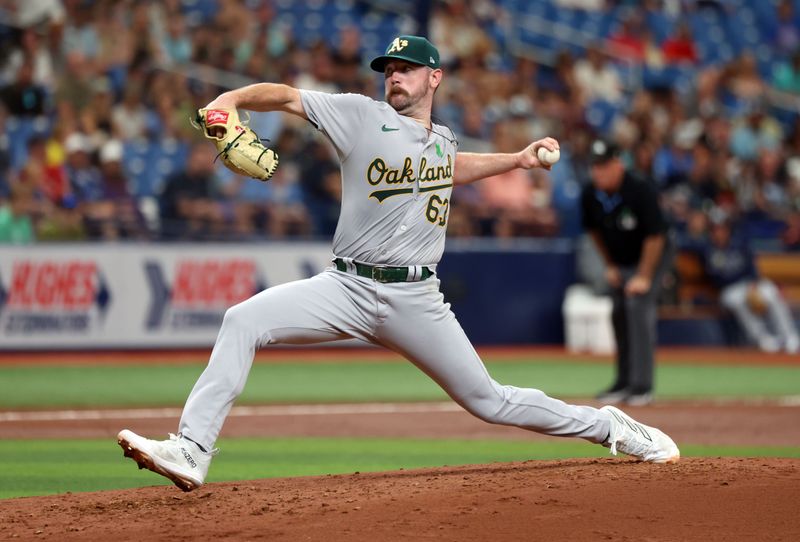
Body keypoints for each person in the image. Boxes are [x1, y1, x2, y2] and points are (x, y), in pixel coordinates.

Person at [117, 36, 679, 492]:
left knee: (490, 401)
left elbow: (450, 167)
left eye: (407, 68)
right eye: (389, 68)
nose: (395, 76)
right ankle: (191, 450)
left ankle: (611, 426)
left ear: (434, 78)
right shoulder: (359, 116)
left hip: (416, 299)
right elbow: (287, 96)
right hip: (347, 286)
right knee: (243, 319)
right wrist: (232, 100)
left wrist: (516, 159)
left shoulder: (441, 140)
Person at [581, 138, 674, 406]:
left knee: (637, 305)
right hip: (622, 258)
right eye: (595, 167)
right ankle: (623, 382)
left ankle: (642, 386)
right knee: (618, 310)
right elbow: (594, 232)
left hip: (653, 254)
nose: (598, 172)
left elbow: (656, 236)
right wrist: (610, 265)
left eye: (604, 166)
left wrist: (643, 276)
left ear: (618, 164)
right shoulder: (591, 194)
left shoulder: (639, 189)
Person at [696, 213, 799, 354]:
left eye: (721, 229)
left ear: (727, 230)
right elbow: (683, 242)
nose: (718, 232)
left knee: (771, 293)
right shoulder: (706, 248)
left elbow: (752, 267)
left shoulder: (739, 244)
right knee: (737, 301)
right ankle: (762, 339)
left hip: (750, 283)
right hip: (729, 289)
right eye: (714, 229)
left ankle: (789, 336)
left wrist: (753, 284)